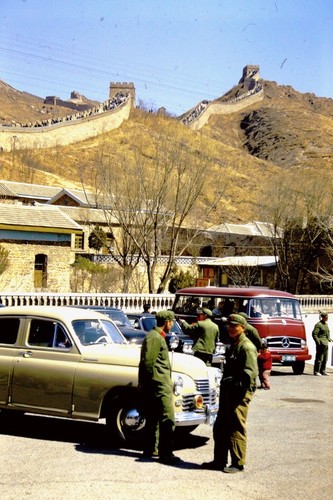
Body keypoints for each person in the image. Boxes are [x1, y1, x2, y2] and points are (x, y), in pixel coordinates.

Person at [202, 313, 258, 473]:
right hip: (229, 393)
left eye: (234, 326)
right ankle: (219, 461)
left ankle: (238, 462)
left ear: (243, 328)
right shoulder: (235, 344)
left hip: (239, 393)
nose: (230, 329)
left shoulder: (246, 347)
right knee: (220, 428)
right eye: (229, 326)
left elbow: (249, 375)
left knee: (236, 427)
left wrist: (233, 385)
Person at [138, 310, 180, 464]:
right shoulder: (155, 337)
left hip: (156, 383)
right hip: (159, 384)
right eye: (172, 321)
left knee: (153, 417)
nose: (173, 324)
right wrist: (148, 383)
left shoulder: (155, 336)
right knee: (167, 418)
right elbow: (148, 362)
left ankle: (151, 449)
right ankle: (166, 453)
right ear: (167, 322)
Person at [312, 311, 332, 376]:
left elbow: (327, 334)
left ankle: (323, 370)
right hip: (321, 344)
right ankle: (316, 371)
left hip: (326, 343)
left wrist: (329, 339)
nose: (327, 318)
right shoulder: (318, 325)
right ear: (323, 317)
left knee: (325, 358)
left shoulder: (326, 324)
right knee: (319, 358)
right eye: (326, 317)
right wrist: (318, 342)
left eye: (327, 317)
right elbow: (314, 334)